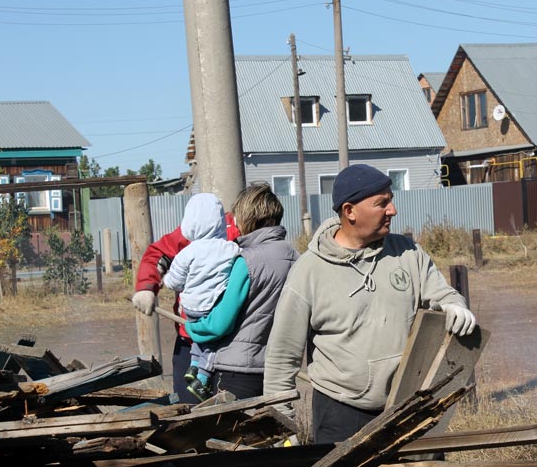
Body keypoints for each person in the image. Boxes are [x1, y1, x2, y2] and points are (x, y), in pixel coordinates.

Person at [263, 163, 476, 444]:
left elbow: (444, 294)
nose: (393, 210)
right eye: (382, 203)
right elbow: (281, 358)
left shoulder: (407, 253)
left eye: (391, 201)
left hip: (410, 405)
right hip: (340, 412)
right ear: (349, 211)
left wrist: (454, 305)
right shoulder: (308, 271)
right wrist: (280, 432)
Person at [182, 183, 299, 399]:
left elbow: (220, 324)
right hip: (277, 369)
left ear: (246, 218)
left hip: (237, 370)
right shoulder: (296, 257)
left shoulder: (247, 260)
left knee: (228, 432)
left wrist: (192, 328)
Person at [132, 199, 239, 404]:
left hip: (234, 341)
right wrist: (147, 287)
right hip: (191, 336)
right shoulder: (194, 230)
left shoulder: (239, 232)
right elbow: (159, 255)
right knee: (187, 405)